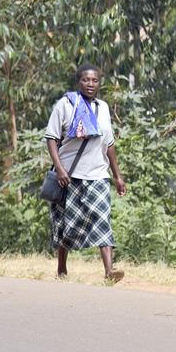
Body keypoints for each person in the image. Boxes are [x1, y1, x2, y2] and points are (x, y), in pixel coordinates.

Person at [45, 63, 126, 282]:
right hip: (69, 175)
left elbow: (108, 143)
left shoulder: (104, 108)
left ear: (99, 83)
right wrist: (60, 169)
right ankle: (62, 269)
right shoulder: (65, 105)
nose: (90, 84)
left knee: (102, 218)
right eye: (85, 80)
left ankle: (109, 272)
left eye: (94, 80)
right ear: (78, 81)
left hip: (98, 174)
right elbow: (51, 138)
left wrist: (117, 175)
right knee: (65, 223)